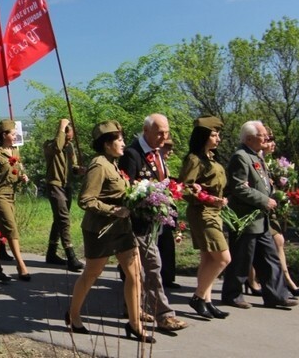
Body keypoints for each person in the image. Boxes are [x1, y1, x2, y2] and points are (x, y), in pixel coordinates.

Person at [67, 121, 154, 344]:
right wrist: (113, 210)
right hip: (100, 230)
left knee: (135, 274)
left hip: (122, 229)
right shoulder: (99, 165)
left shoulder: (113, 164)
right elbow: (85, 200)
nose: (124, 143)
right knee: (91, 274)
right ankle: (73, 315)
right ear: (107, 144)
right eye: (119, 140)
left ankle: (134, 324)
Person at [120, 113, 187, 332]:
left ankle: (135, 307)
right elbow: (127, 190)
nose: (164, 137)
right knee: (152, 267)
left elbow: (161, 183)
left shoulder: (156, 154)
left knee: (143, 269)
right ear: (146, 130)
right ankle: (164, 315)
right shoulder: (132, 154)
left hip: (153, 223)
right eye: (159, 132)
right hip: (136, 223)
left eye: (166, 132)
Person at [221, 121, 297, 309]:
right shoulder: (241, 157)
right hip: (246, 218)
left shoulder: (256, 156)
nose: (265, 137)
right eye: (262, 134)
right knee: (241, 259)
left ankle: (277, 295)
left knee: (269, 257)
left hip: (261, 219)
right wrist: (264, 200)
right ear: (249, 138)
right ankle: (232, 295)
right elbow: (238, 187)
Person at [178, 115, 232, 319]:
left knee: (208, 258)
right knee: (223, 258)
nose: (218, 139)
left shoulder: (211, 158)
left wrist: (219, 200)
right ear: (203, 136)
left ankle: (206, 301)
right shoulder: (194, 159)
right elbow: (183, 188)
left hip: (215, 212)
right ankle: (198, 297)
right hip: (202, 213)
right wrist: (208, 198)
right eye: (214, 134)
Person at [0, 119, 31, 281]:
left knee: (0, 231)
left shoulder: (15, 152)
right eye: (13, 134)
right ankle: (21, 265)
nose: (15, 136)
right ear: (4, 135)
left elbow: (15, 172)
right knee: (11, 228)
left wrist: (21, 177)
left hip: (12, 195)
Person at [43, 118, 84, 272]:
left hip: (66, 186)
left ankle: (51, 252)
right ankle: (71, 255)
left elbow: (72, 166)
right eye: (69, 133)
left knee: (58, 219)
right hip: (54, 185)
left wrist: (78, 170)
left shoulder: (70, 147)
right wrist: (62, 126)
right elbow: (57, 147)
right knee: (64, 219)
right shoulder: (50, 144)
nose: (71, 136)